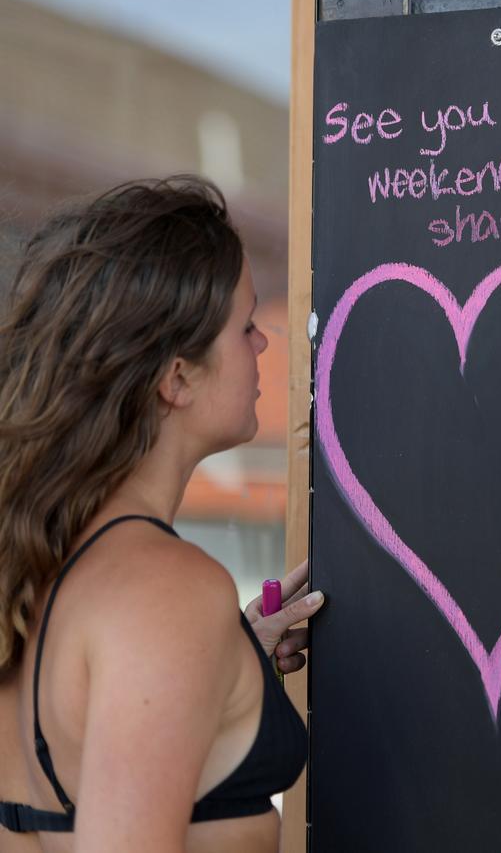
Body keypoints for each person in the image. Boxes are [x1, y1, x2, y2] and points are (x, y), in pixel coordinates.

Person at [0, 175, 324, 853]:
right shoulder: (165, 591)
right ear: (176, 378)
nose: (263, 344)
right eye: (245, 326)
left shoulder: (39, 564)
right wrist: (188, 627)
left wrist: (226, 659)